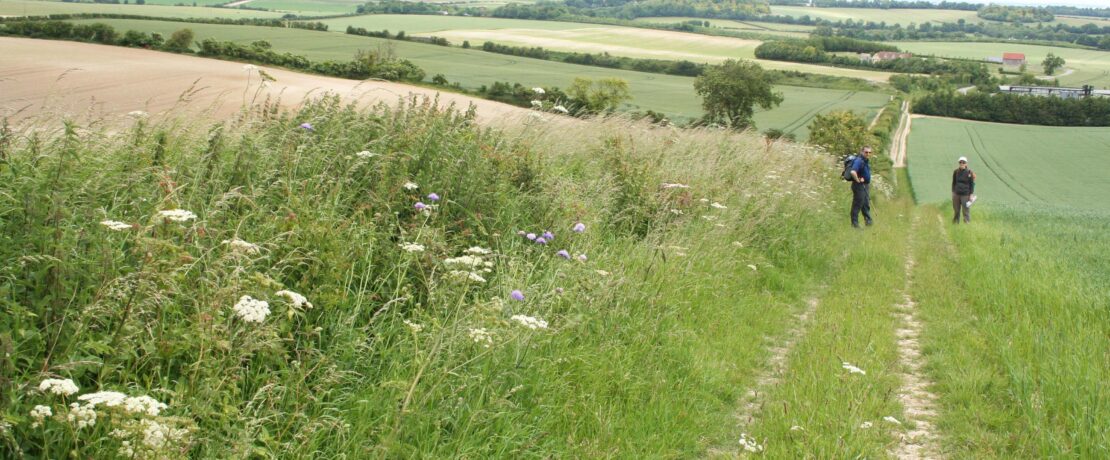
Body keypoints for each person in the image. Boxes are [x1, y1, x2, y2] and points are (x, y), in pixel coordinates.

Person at [849, 146, 873, 228]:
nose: (868, 154)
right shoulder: (859, 161)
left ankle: (868, 222)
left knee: (865, 203)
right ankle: (854, 224)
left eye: (870, 152)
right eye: (866, 152)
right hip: (859, 186)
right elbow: (852, 172)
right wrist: (857, 180)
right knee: (857, 204)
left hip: (865, 185)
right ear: (862, 152)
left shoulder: (865, 161)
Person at [952, 156, 976, 224]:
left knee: (965, 210)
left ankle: (967, 223)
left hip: (965, 195)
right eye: (960, 162)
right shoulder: (956, 172)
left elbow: (972, 184)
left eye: (963, 162)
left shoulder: (969, 172)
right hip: (956, 194)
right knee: (956, 210)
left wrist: (971, 194)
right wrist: (953, 192)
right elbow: (954, 183)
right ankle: (955, 224)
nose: (962, 163)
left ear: (966, 164)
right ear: (959, 163)